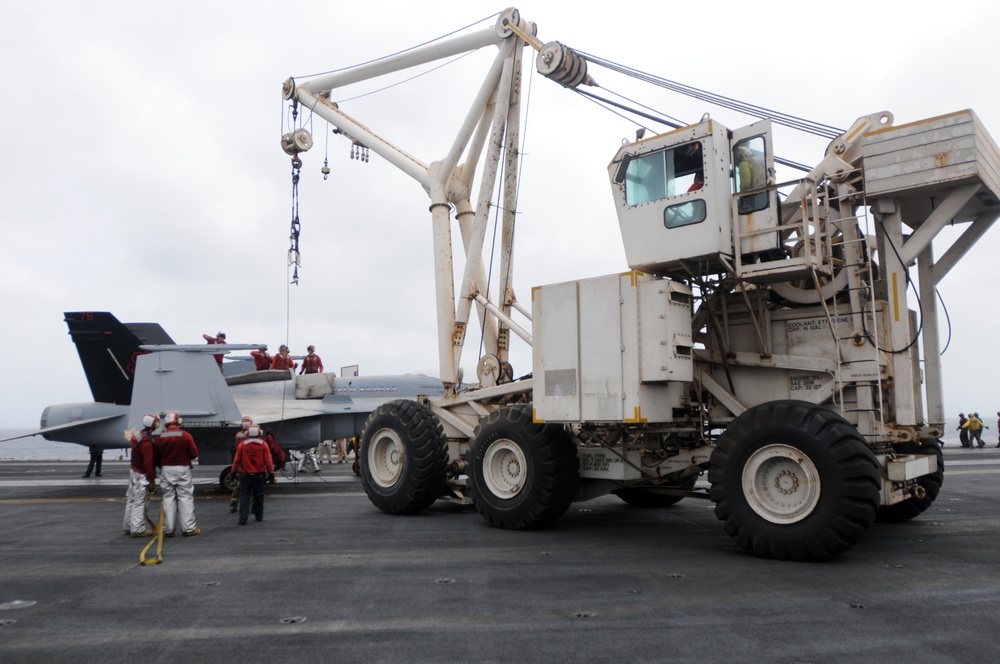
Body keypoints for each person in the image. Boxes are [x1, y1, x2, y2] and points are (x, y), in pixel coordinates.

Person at [155, 412, 201, 537]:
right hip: (182, 469)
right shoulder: (185, 436)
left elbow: (156, 456)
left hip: (165, 469)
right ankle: (189, 528)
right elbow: (194, 454)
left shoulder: (159, 437)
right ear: (178, 421)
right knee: (185, 497)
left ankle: (169, 529)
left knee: (168, 498)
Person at [123, 413, 159, 537]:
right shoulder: (147, 442)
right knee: (140, 501)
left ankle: (128, 526)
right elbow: (148, 462)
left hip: (134, 471)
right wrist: (152, 479)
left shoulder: (137, 435)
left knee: (131, 500)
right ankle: (137, 529)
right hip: (142, 475)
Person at [231, 424, 274, 525]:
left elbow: (236, 460)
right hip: (259, 474)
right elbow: (268, 460)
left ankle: (243, 518)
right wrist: (271, 473)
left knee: (244, 496)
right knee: (258, 496)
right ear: (259, 433)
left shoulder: (242, 444)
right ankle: (259, 516)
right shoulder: (263, 444)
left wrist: (233, 472)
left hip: (245, 474)